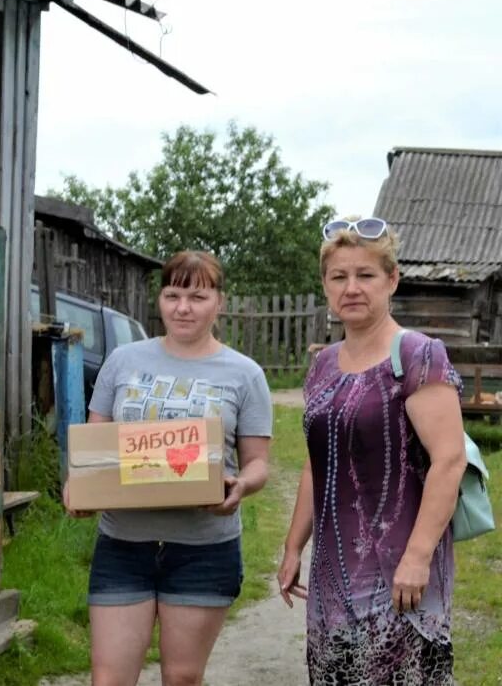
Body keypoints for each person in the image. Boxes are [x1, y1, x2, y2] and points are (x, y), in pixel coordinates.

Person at [277, 217, 465, 685]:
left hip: (398, 572)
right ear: (325, 285)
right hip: (332, 574)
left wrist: (417, 557)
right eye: (339, 276)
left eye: (365, 275)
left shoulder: (418, 355)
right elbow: (316, 463)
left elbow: (449, 460)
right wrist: (293, 546)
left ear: (391, 279)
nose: (352, 288)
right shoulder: (322, 365)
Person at [76, 250, 273, 686]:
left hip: (204, 549)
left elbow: (258, 462)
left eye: (197, 297)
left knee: (182, 677)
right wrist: (80, 487)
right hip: (123, 543)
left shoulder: (245, 374)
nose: (183, 308)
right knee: (108, 679)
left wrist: (240, 485)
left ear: (219, 302)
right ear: (160, 299)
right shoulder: (122, 361)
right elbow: (95, 448)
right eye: (173, 295)